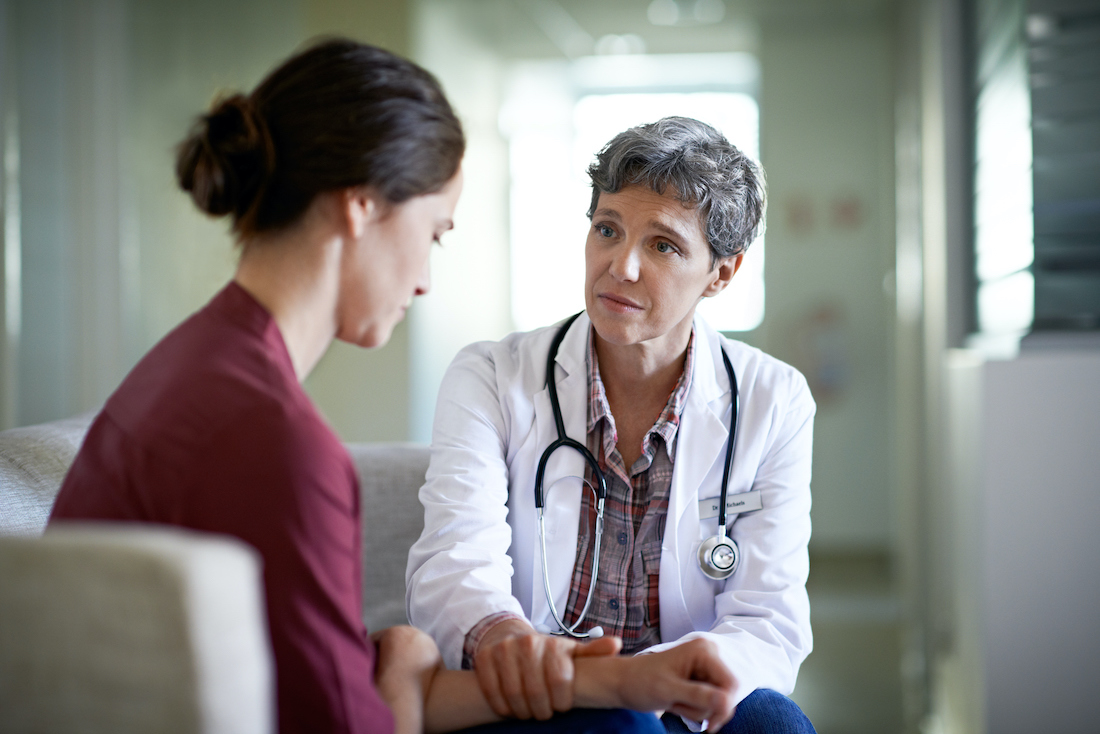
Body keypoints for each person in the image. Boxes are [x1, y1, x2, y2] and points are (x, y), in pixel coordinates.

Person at [48, 41, 743, 734]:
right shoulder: (273, 440)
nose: (423, 280)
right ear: (362, 207)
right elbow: (360, 723)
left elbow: (321, 678)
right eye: (434, 234)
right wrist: (406, 668)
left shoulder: (195, 364)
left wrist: (607, 677)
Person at [406, 117, 817, 733]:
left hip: (688, 691)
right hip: (545, 690)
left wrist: (652, 684)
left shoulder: (773, 399)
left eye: (663, 245)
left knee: (773, 724)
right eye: (607, 229)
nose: (620, 266)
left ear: (721, 273)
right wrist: (511, 642)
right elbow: (455, 564)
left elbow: (767, 618)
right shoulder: (491, 377)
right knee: (623, 726)